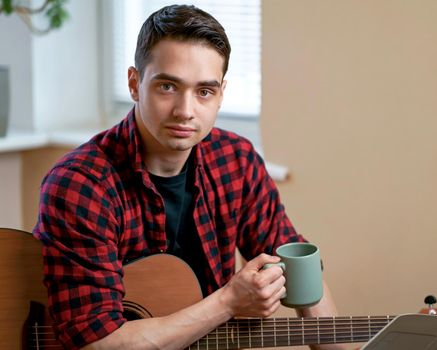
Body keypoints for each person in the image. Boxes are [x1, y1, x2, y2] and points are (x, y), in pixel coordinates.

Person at [33, 4, 344, 350]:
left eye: (204, 91)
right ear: (135, 84)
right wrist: (228, 302)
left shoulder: (236, 161)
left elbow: (302, 276)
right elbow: (97, 342)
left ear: (221, 94)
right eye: (168, 87)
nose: (185, 111)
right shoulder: (80, 185)